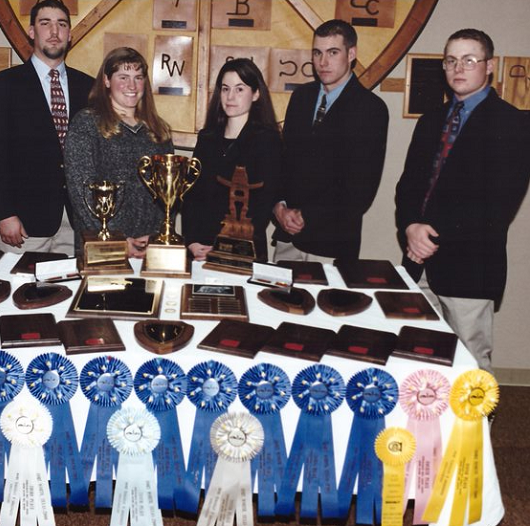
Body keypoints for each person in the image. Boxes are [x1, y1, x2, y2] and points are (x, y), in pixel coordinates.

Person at [396, 29, 530, 373]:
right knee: (419, 365)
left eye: (469, 60)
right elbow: (408, 186)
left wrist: (430, 238)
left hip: (470, 267)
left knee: (470, 372)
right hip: (418, 263)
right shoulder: (430, 122)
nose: (459, 68)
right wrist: (411, 227)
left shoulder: (513, 124)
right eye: (451, 60)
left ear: (490, 66)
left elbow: (497, 207)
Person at [0, 0, 93, 255]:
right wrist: (4, 213)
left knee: (72, 293)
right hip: (23, 225)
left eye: (61, 24)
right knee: (19, 292)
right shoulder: (3, 86)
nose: (54, 32)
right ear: (31, 32)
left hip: (76, 224)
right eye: (45, 23)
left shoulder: (88, 87)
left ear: (69, 34)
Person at [273, 19, 388, 263]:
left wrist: (308, 215)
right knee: (277, 302)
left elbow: (361, 188)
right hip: (286, 238)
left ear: (351, 54)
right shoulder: (301, 98)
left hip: (330, 243)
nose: (323, 62)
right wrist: (279, 206)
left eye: (333, 52)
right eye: (317, 53)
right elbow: (284, 162)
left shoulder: (371, 108)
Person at [65, 47, 173, 258]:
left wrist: (157, 236)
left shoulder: (159, 131)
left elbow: (167, 196)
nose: (131, 85)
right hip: (101, 245)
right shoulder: (87, 124)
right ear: (106, 81)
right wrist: (115, 239)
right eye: (123, 77)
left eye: (138, 77)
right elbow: (81, 189)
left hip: (148, 246)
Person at [182, 58, 281, 262]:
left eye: (239, 89)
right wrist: (191, 242)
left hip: (244, 250)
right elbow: (191, 196)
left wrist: (223, 248)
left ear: (256, 94)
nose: (230, 97)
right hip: (200, 249)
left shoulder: (267, 140)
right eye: (225, 89)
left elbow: (263, 205)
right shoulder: (207, 138)